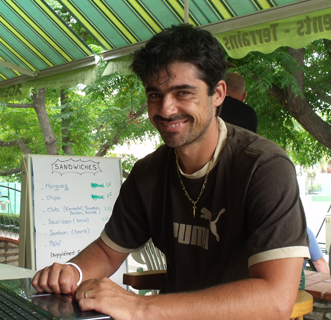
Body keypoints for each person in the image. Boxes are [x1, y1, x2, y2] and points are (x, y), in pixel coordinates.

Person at [33, 24, 309, 320]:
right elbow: (108, 250)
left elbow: (276, 299)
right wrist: (69, 272)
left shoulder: (264, 167)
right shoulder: (148, 173)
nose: (165, 109)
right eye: (155, 94)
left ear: (218, 94)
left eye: (183, 93)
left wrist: (137, 307)